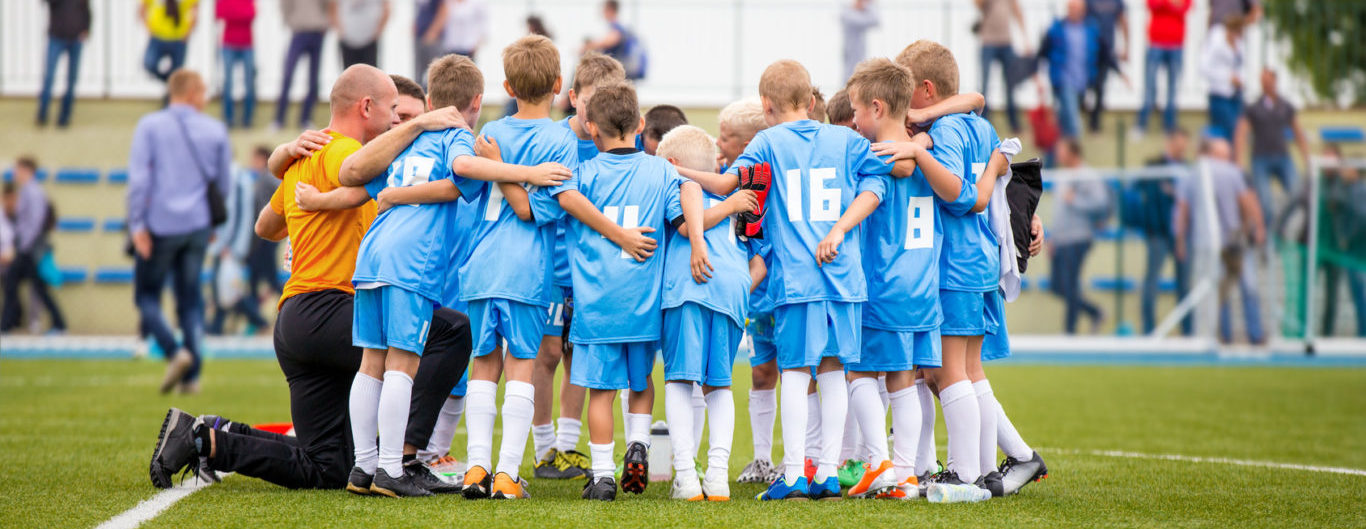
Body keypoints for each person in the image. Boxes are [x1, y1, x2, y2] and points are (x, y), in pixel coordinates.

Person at [145, 65, 477, 494]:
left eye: (408, 116)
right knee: (450, 333)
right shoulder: (348, 154)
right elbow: (354, 173)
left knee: (327, 467)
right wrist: (426, 126)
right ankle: (407, 458)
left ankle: (208, 436)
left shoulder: (307, 155)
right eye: (395, 112)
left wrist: (285, 165)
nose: (400, 123)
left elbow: (266, 226)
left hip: (297, 321)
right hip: (332, 308)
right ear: (366, 107)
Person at [414, 36, 581, 501]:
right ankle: (505, 473)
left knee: (484, 364)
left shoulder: (487, 133)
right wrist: (509, 170)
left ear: (506, 85)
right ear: (559, 84)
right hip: (526, 269)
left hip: (480, 266)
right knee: (522, 365)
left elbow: (464, 188)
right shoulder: (560, 142)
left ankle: (474, 470)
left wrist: (499, 165)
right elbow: (530, 212)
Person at [537, 82, 706, 501]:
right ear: (641, 124)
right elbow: (684, 213)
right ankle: (639, 445)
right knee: (642, 382)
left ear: (592, 129)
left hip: (597, 306)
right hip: (644, 304)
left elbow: (564, 196)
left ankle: (601, 476)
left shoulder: (585, 173)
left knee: (601, 391)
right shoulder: (662, 171)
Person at [841, 57, 973, 500]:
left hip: (883, 286)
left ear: (877, 108)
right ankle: (905, 473)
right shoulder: (927, 150)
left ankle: (880, 463)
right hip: (922, 289)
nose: (854, 120)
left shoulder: (875, 154)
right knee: (903, 380)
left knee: (857, 374)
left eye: (857, 110)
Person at [894, 40, 999, 501]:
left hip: (955, 263)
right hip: (979, 261)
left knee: (950, 371)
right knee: (971, 370)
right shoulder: (977, 124)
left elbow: (961, 194)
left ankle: (963, 473)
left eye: (908, 92)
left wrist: (920, 154)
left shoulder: (950, 131)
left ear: (927, 90)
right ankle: (986, 469)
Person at [529, 52, 627, 482]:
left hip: (593, 271)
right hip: (551, 266)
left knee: (579, 355)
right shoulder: (555, 140)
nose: (600, 108)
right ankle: (542, 446)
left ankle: (568, 448)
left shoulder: (618, 145)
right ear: (573, 97)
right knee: (547, 352)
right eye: (593, 99)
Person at [655, 125, 754, 502]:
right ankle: (717, 476)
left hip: (689, 288)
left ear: (673, 164)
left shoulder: (682, 187)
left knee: (679, 382)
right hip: (732, 290)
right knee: (719, 385)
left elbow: (690, 200)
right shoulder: (737, 201)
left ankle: (685, 475)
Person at [127, 69, 230, 394]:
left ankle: (175, 351)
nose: (206, 98)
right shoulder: (215, 130)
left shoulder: (150, 126)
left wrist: (136, 224)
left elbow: (139, 180)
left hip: (160, 224)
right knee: (190, 300)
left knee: (146, 294)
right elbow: (223, 185)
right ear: (190, 93)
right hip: (198, 225)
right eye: (203, 92)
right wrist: (213, 225)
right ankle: (192, 377)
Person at [1174, 137, 1265, 345]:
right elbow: (1246, 202)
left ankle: (1224, 335)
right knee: (1247, 286)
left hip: (1205, 243)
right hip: (1233, 239)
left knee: (1218, 289)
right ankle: (1255, 334)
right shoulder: (1233, 172)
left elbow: (1182, 211)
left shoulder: (1190, 175)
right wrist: (1254, 228)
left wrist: (1180, 240)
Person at [1235, 68, 1310, 231]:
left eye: (1269, 80)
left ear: (1275, 81)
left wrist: (1307, 158)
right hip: (1260, 159)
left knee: (1298, 193)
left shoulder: (1286, 106)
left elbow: (1298, 133)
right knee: (1265, 204)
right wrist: (1239, 161)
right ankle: (1268, 239)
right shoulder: (1253, 107)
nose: (1266, 84)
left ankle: (1281, 226)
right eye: (1263, 81)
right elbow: (1242, 132)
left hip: (1283, 157)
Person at [1048, 139, 1108, 334]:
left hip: (1078, 237)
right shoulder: (1062, 176)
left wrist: (1076, 200)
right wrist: (1052, 238)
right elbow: (1059, 211)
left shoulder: (1087, 175)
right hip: (1061, 239)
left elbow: (1100, 203)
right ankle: (1094, 312)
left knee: (1070, 284)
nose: (1057, 154)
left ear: (1072, 152)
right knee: (1057, 286)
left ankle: (1069, 331)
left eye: (1061, 149)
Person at [1, 157, 66, 335]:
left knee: (19, 283)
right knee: (29, 286)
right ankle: (9, 322)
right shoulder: (27, 190)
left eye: (18, 169)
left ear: (26, 170)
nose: (15, 173)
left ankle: (7, 324)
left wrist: (24, 246)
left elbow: (35, 222)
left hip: (30, 248)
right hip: (27, 247)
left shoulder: (34, 191)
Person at [206, 150, 268, 336]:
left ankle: (258, 321)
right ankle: (218, 325)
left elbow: (235, 215)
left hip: (229, 245)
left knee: (228, 288)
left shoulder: (234, 178)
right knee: (224, 286)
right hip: (230, 244)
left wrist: (228, 245)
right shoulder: (238, 177)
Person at [1138, 129, 1192, 335]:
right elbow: (1149, 195)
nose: (1182, 148)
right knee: (1151, 283)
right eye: (1179, 142)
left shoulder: (1187, 168)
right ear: (1170, 141)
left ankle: (1188, 332)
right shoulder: (1154, 166)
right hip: (1158, 233)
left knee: (1185, 285)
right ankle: (1149, 330)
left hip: (1181, 234)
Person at [1038, 0, 1102, 139]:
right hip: (1063, 81)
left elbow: (1103, 53)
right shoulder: (1057, 29)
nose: (1073, 11)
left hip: (1082, 83)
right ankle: (1076, 156)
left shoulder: (1091, 29)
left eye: (1077, 8)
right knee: (1074, 124)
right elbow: (1042, 53)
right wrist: (1038, 78)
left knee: (1062, 124)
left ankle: (1054, 156)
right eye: (1071, 8)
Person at [1134, 0, 1191, 136]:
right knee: (1150, 86)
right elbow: (1152, 5)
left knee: (1173, 88)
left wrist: (1166, 4)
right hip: (1156, 43)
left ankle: (1169, 127)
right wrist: (1171, 3)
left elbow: (1184, 8)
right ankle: (1141, 125)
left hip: (1176, 45)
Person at [274, 0, 330, 130]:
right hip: (298, 31)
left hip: (317, 32)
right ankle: (279, 119)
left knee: (313, 78)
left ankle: (305, 119)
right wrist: (291, 22)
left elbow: (328, 5)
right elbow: (285, 5)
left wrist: (324, 23)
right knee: (288, 75)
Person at [975, 0, 1027, 133]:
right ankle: (982, 120)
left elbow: (1017, 11)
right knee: (985, 85)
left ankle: (1014, 122)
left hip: (1006, 42)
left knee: (1010, 84)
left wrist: (1025, 39)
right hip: (988, 42)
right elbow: (978, 4)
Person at [36, 0, 90, 128]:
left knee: (71, 80)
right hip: (56, 37)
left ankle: (64, 118)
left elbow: (87, 11)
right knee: (49, 77)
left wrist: (86, 29)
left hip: (76, 39)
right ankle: (42, 115)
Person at [1084, 0, 1127, 133]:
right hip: (1089, 50)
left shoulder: (1117, 2)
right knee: (1083, 88)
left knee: (1100, 88)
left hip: (1105, 50)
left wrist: (1126, 46)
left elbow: (1123, 21)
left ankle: (1094, 123)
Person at [1202, 14, 1245, 141]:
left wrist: (1241, 80)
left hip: (1236, 94)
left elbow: (1241, 65)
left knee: (1238, 132)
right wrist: (1227, 78)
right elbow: (1204, 68)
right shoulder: (1215, 42)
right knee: (1228, 132)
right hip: (1219, 95)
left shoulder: (1239, 44)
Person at [216, 0, 256, 128]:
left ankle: (247, 120)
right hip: (228, 44)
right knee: (228, 83)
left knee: (249, 83)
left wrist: (233, 13)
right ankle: (228, 119)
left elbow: (251, 14)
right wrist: (240, 14)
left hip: (247, 44)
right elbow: (219, 14)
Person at [583, 1, 644, 80]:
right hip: (624, 70)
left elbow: (612, 39)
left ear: (610, 10)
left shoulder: (617, 26)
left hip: (622, 70)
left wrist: (589, 47)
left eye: (604, 9)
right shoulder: (619, 27)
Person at [141, 0, 196, 86]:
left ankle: (171, 93)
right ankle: (169, 82)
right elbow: (142, 10)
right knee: (149, 63)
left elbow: (194, 12)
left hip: (178, 38)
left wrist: (188, 33)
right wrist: (149, 29)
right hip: (158, 36)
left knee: (177, 72)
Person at [332, 0, 389, 68]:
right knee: (349, 73)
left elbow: (386, 8)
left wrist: (378, 31)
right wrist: (340, 30)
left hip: (370, 40)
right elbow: (332, 7)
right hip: (347, 40)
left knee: (371, 73)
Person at [840, 0, 879, 81]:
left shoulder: (853, 12)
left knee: (855, 76)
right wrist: (869, 5)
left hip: (857, 53)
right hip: (852, 53)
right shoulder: (848, 14)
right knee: (850, 76)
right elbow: (874, 20)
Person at [413, 0, 444, 87]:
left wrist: (433, 32)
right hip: (419, 36)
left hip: (434, 39)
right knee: (419, 71)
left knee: (436, 71)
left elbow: (444, 10)